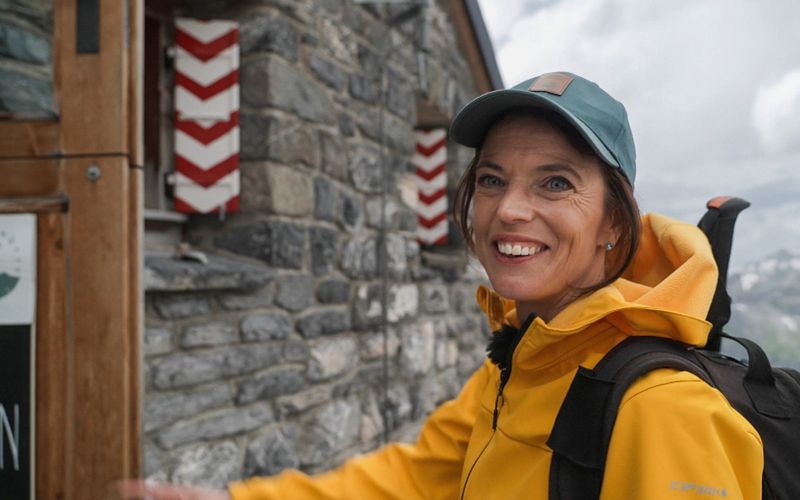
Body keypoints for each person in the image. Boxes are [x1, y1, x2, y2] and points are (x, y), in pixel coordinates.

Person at [119, 72, 763, 499]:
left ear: (612, 223)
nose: (509, 209)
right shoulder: (525, 356)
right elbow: (415, 480)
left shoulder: (661, 409)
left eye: (555, 182)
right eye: (491, 179)